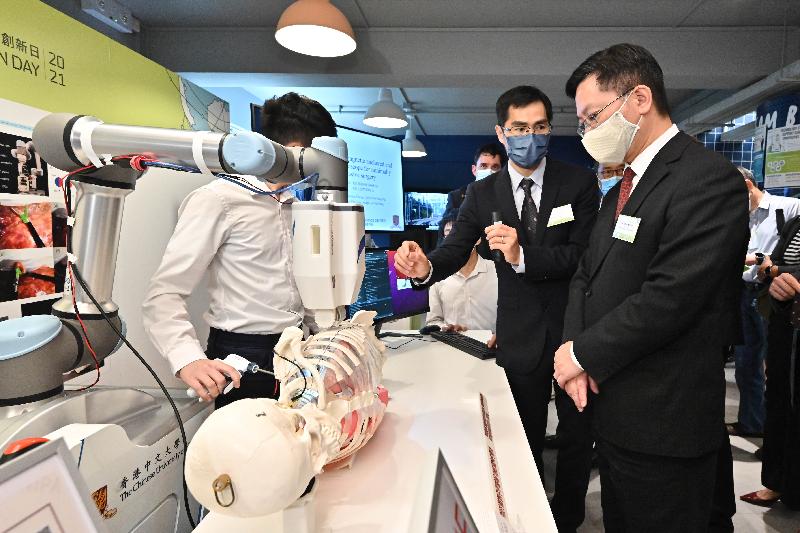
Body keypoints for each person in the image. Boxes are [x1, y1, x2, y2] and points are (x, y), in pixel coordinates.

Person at [555, 43, 748, 532]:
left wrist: (582, 354)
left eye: (593, 116)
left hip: (667, 420)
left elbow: (670, 298)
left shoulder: (705, 179)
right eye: (581, 123)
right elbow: (587, 274)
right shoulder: (625, 185)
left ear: (639, 98)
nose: (588, 132)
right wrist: (575, 351)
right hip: (615, 409)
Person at [395, 85, 598, 481]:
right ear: (502, 133)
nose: (530, 137)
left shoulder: (577, 184)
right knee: (522, 439)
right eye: (519, 128)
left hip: (573, 330)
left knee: (576, 438)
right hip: (518, 336)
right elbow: (455, 248)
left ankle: (570, 520)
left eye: (540, 127)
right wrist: (424, 269)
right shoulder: (483, 192)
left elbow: (585, 256)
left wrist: (524, 257)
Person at [143, 92, 336, 407]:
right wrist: (187, 359)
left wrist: (327, 343)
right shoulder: (218, 199)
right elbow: (163, 294)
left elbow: (301, 288)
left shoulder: (298, 207)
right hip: (242, 354)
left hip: (299, 349)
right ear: (299, 152)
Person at [732, 167, 800, 438]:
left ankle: (775, 434)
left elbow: (790, 249)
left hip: (776, 292)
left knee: (776, 364)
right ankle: (752, 422)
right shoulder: (735, 217)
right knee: (745, 362)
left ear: (748, 185)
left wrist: (759, 258)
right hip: (743, 291)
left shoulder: (788, 207)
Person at [739, 217, 800, 510]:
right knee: (777, 399)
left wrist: (777, 271)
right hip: (784, 323)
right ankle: (777, 482)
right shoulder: (797, 222)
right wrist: (770, 274)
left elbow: (777, 267)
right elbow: (773, 261)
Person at [425, 216, 498, 332]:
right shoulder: (438, 277)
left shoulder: (497, 271)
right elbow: (432, 321)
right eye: (448, 235)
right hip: (453, 346)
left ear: (478, 239)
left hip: (492, 346)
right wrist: (446, 329)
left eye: (458, 234)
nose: (453, 241)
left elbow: (512, 315)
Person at [444, 142, 507, 214]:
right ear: (474, 170)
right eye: (483, 166)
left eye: (495, 167)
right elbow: (446, 222)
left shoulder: (509, 197)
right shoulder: (456, 197)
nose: (489, 171)